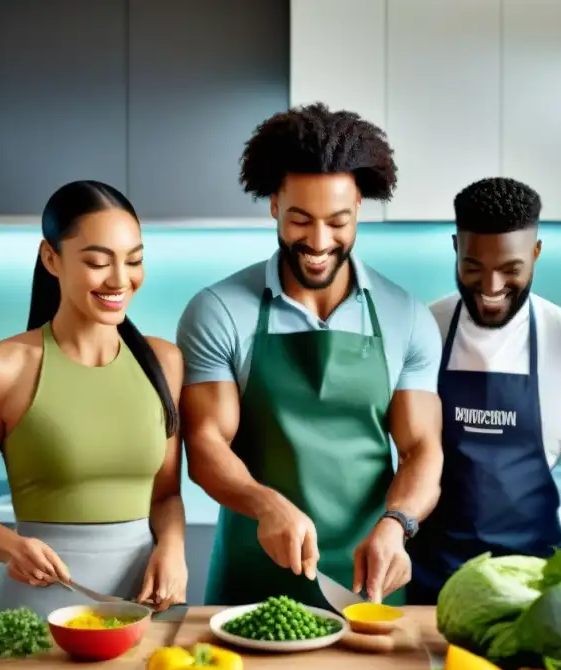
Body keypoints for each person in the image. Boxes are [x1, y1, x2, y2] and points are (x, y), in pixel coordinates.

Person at [177, 103, 444, 607]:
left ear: (360, 207)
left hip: (370, 575)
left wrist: (398, 522)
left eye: (338, 222)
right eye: (300, 219)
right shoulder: (219, 311)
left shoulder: (405, 315)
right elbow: (207, 442)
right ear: (274, 203)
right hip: (254, 572)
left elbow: (422, 449)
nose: (319, 243)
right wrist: (264, 504)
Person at [0, 180, 188, 620]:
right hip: (35, 606)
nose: (120, 279)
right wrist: (13, 547)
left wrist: (172, 550)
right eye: (98, 262)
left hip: (145, 606)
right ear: (51, 258)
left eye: (134, 260)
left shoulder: (165, 362)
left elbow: (166, 496)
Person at [408, 177, 561, 604]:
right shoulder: (419, 332)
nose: (491, 288)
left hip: (533, 592)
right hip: (428, 585)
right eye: (473, 267)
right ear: (455, 247)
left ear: (536, 253)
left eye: (511, 269)